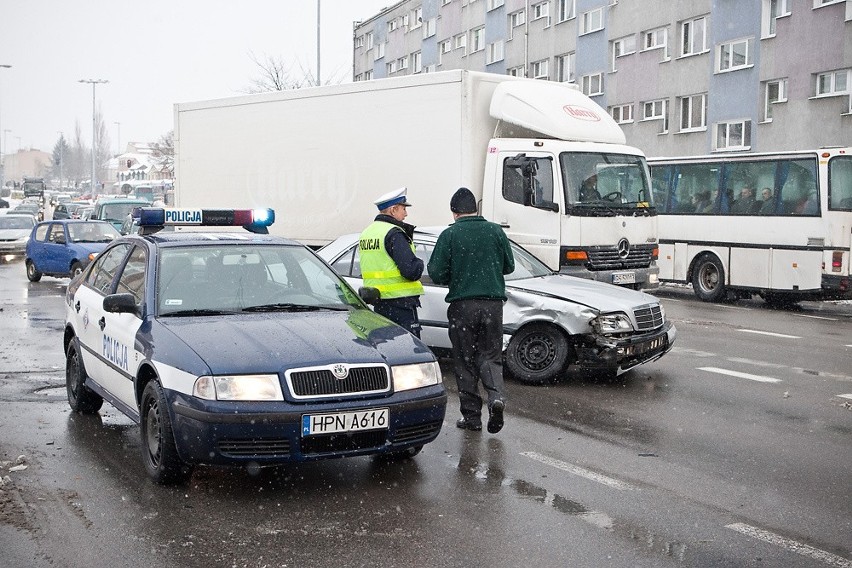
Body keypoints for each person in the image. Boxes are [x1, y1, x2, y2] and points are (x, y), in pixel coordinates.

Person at [427, 187, 515, 434]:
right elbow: (509, 266)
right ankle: (496, 397)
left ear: (454, 212)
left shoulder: (450, 235)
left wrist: (458, 274)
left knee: (464, 360)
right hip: (493, 305)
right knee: (490, 356)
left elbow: (436, 272)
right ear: (475, 210)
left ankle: (472, 418)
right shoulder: (495, 231)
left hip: (462, 306)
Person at [358, 187, 424, 337]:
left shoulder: (367, 233)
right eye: (403, 209)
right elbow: (411, 270)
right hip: (400, 305)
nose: (406, 214)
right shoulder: (394, 233)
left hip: (379, 303)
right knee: (408, 352)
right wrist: (420, 263)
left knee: (387, 347)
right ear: (393, 210)